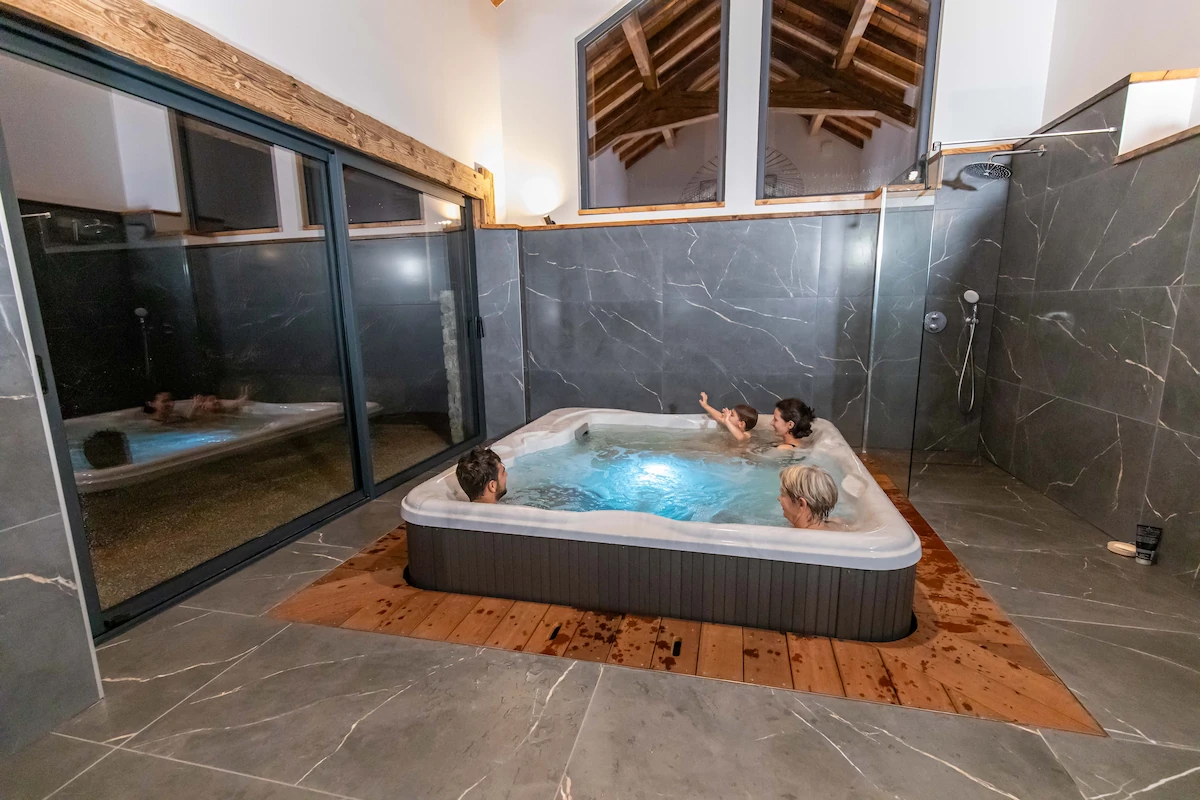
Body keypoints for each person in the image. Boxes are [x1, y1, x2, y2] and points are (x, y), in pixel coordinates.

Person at [778, 464, 838, 530]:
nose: (779, 498)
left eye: (783, 494)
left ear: (801, 504)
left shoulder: (798, 538)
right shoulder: (836, 524)